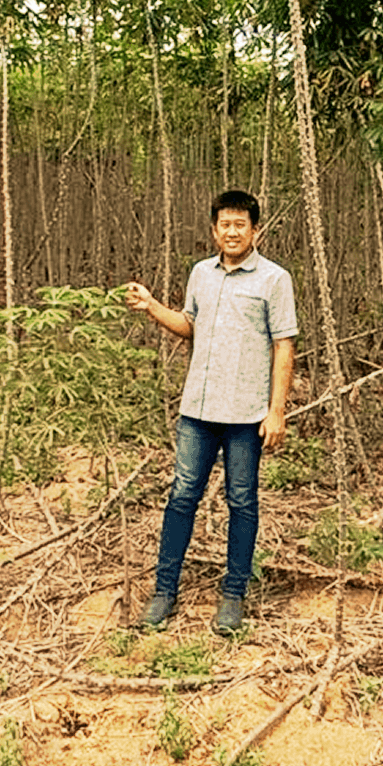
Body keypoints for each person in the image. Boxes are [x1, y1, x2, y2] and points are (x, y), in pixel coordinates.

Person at [124, 189, 297, 636]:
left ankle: (233, 595)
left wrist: (276, 411)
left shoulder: (275, 280)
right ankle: (164, 591)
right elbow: (190, 325)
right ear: (214, 230)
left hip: (246, 415)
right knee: (182, 496)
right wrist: (152, 306)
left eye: (241, 224)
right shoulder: (201, 273)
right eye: (225, 225)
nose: (232, 232)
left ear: (255, 230)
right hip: (198, 411)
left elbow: (284, 345)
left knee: (242, 501)